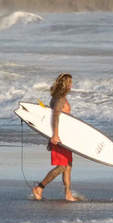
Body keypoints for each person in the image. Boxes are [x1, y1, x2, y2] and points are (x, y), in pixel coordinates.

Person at [32, 73, 78, 202]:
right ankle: (39, 187)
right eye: (70, 83)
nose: (72, 85)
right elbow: (55, 117)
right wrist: (54, 135)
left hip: (65, 136)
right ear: (66, 84)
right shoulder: (60, 99)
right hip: (59, 137)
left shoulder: (58, 97)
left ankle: (68, 194)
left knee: (68, 165)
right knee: (62, 166)